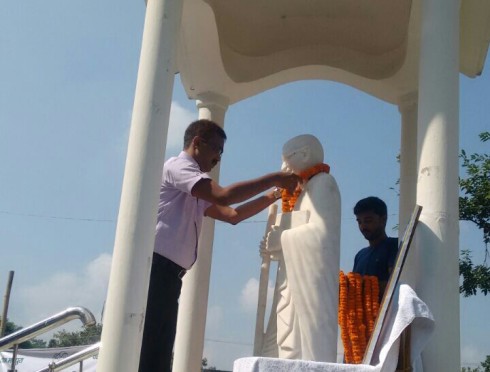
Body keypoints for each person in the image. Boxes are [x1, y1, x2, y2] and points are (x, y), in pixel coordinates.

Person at [138, 119, 302, 372]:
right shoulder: (179, 167)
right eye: (216, 149)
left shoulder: (194, 186)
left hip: (170, 276)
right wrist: (275, 179)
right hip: (156, 271)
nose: (218, 158)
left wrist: (274, 196)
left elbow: (232, 215)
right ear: (197, 143)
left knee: (158, 354)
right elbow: (225, 195)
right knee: (149, 352)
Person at [262, 134, 341, 362]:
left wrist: (283, 238)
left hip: (310, 284)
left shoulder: (324, 184)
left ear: (305, 154)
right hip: (293, 278)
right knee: (285, 346)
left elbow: (321, 235)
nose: (283, 167)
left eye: (287, 159)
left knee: (301, 350)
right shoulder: (305, 191)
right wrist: (274, 248)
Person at [352, 196, 399, 300]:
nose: (363, 226)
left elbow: (396, 285)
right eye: (359, 222)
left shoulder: (393, 245)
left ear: (383, 219)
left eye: (368, 221)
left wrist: (361, 286)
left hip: (387, 314)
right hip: (360, 315)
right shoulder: (360, 255)